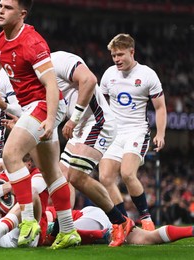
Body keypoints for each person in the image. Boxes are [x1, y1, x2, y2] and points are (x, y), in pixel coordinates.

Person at [0, 0, 79, 249]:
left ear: (22, 13)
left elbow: (52, 86)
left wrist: (49, 119)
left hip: (44, 105)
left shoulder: (33, 42)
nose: (0, 10)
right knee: (51, 172)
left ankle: (27, 221)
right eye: (0, 5)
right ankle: (68, 230)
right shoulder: (1, 40)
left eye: (8, 7)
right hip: (33, 108)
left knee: (11, 153)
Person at [51, 50, 134, 247]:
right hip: (79, 125)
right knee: (61, 177)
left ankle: (121, 220)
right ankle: (64, 228)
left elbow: (89, 80)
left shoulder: (58, 59)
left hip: (97, 122)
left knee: (77, 177)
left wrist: (74, 119)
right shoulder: (37, 74)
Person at [99, 33, 167, 231]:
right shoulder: (108, 75)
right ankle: (123, 222)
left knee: (128, 173)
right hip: (113, 133)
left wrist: (160, 133)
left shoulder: (147, 75)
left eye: (120, 55)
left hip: (136, 131)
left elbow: (160, 108)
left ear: (132, 52)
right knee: (105, 178)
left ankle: (146, 218)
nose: (116, 59)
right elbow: (101, 106)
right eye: (113, 56)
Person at [47, 206, 194, 246]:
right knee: (147, 238)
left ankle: (103, 235)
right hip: (100, 218)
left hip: (91, 216)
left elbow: (54, 225)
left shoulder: (38, 211)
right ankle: (190, 230)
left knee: (57, 234)